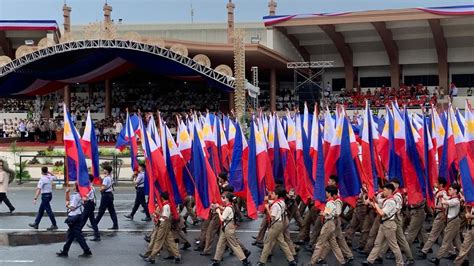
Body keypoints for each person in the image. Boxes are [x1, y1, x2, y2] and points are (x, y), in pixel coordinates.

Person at [362, 183, 404, 266]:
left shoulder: (391, 201)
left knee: (394, 246)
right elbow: (378, 204)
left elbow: (381, 213)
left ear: (390, 190)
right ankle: (370, 260)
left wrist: (376, 205)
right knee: (377, 243)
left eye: (384, 190)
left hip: (389, 225)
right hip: (383, 224)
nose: (383, 192)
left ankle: (400, 263)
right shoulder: (386, 200)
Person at [256, 186, 296, 266]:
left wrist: (267, 208)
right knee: (282, 242)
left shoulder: (275, 205)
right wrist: (267, 201)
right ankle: (291, 260)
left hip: (275, 225)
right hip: (280, 224)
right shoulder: (282, 202)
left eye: (273, 193)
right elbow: (272, 202)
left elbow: (272, 216)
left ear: (277, 195)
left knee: (267, 242)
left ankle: (262, 262)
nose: (272, 194)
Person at [310, 186, 347, 265]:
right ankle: (342, 261)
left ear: (329, 193)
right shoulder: (331, 202)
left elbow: (329, 214)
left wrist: (322, 213)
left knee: (319, 244)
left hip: (328, 224)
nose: (325, 193)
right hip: (330, 224)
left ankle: (312, 262)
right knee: (334, 244)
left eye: (326, 192)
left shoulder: (330, 203)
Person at [211, 193, 250, 266]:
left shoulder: (228, 208)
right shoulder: (230, 206)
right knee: (220, 243)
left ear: (227, 199)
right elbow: (225, 210)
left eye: (223, 198)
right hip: (226, 227)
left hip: (228, 228)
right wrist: (218, 206)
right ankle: (216, 260)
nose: (222, 199)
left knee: (234, 245)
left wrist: (218, 212)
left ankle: (245, 260)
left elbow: (222, 218)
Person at [141, 192, 181, 264]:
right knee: (170, 240)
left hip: (163, 224)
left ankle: (152, 257)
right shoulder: (167, 205)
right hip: (165, 224)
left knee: (158, 240)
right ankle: (177, 255)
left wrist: (157, 212)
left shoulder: (166, 206)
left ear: (162, 198)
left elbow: (165, 217)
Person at [429, 183, 462, 265]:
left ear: (455, 191)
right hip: (453, 221)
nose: (448, 191)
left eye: (450, 189)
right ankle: (464, 259)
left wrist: (441, 195)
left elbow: (445, 202)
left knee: (446, 241)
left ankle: (437, 258)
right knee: (457, 242)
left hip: (453, 222)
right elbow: (447, 198)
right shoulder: (452, 198)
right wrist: (442, 194)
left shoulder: (456, 201)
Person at [56, 183, 92, 258]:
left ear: (76, 188)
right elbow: (68, 199)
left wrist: (67, 206)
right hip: (78, 216)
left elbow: (72, 207)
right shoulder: (79, 195)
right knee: (70, 235)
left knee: (78, 235)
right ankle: (65, 251)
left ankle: (86, 250)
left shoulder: (76, 196)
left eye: (74, 186)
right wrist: (67, 193)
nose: (73, 187)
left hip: (74, 217)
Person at [95, 165, 119, 230]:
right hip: (110, 195)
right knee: (112, 211)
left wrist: (100, 189)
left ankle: (94, 224)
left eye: (104, 169)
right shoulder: (110, 177)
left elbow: (103, 187)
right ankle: (115, 224)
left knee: (101, 211)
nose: (103, 170)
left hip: (105, 195)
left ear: (107, 170)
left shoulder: (106, 178)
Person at [81, 174, 100, 241]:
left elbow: (85, 198)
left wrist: (81, 198)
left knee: (82, 219)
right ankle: (97, 235)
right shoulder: (91, 187)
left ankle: (77, 234)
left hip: (88, 205)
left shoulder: (89, 188)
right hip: (91, 204)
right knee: (92, 220)